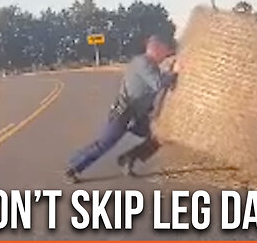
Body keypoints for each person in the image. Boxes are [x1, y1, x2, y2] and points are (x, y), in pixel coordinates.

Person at [64, 35, 178, 184]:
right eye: (164, 51)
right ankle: (73, 168)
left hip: (138, 115)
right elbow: (157, 83)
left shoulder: (151, 65)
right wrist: (175, 72)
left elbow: (159, 81)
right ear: (155, 49)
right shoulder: (142, 63)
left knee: (158, 136)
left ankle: (128, 158)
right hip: (124, 112)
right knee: (105, 143)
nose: (166, 54)